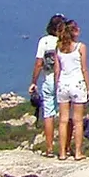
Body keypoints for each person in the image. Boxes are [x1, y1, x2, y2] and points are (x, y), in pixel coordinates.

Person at [53, 18, 89, 160]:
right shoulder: (81, 47)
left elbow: (57, 70)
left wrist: (57, 85)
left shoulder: (58, 48)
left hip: (63, 84)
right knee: (78, 120)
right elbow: (84, 68)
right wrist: (88, 88)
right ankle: (78, 152)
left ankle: (62, 153)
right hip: (77, 84)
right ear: (74, 32)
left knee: (63, 120)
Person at [29, 13, 66, 155]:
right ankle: (65, 148)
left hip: (49, 79)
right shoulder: (65, 41)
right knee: (65, 115)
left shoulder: (44, 41)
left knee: (48, 114)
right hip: (64, 80)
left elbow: (39, 64)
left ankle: (49, 148)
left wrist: (33, 82)